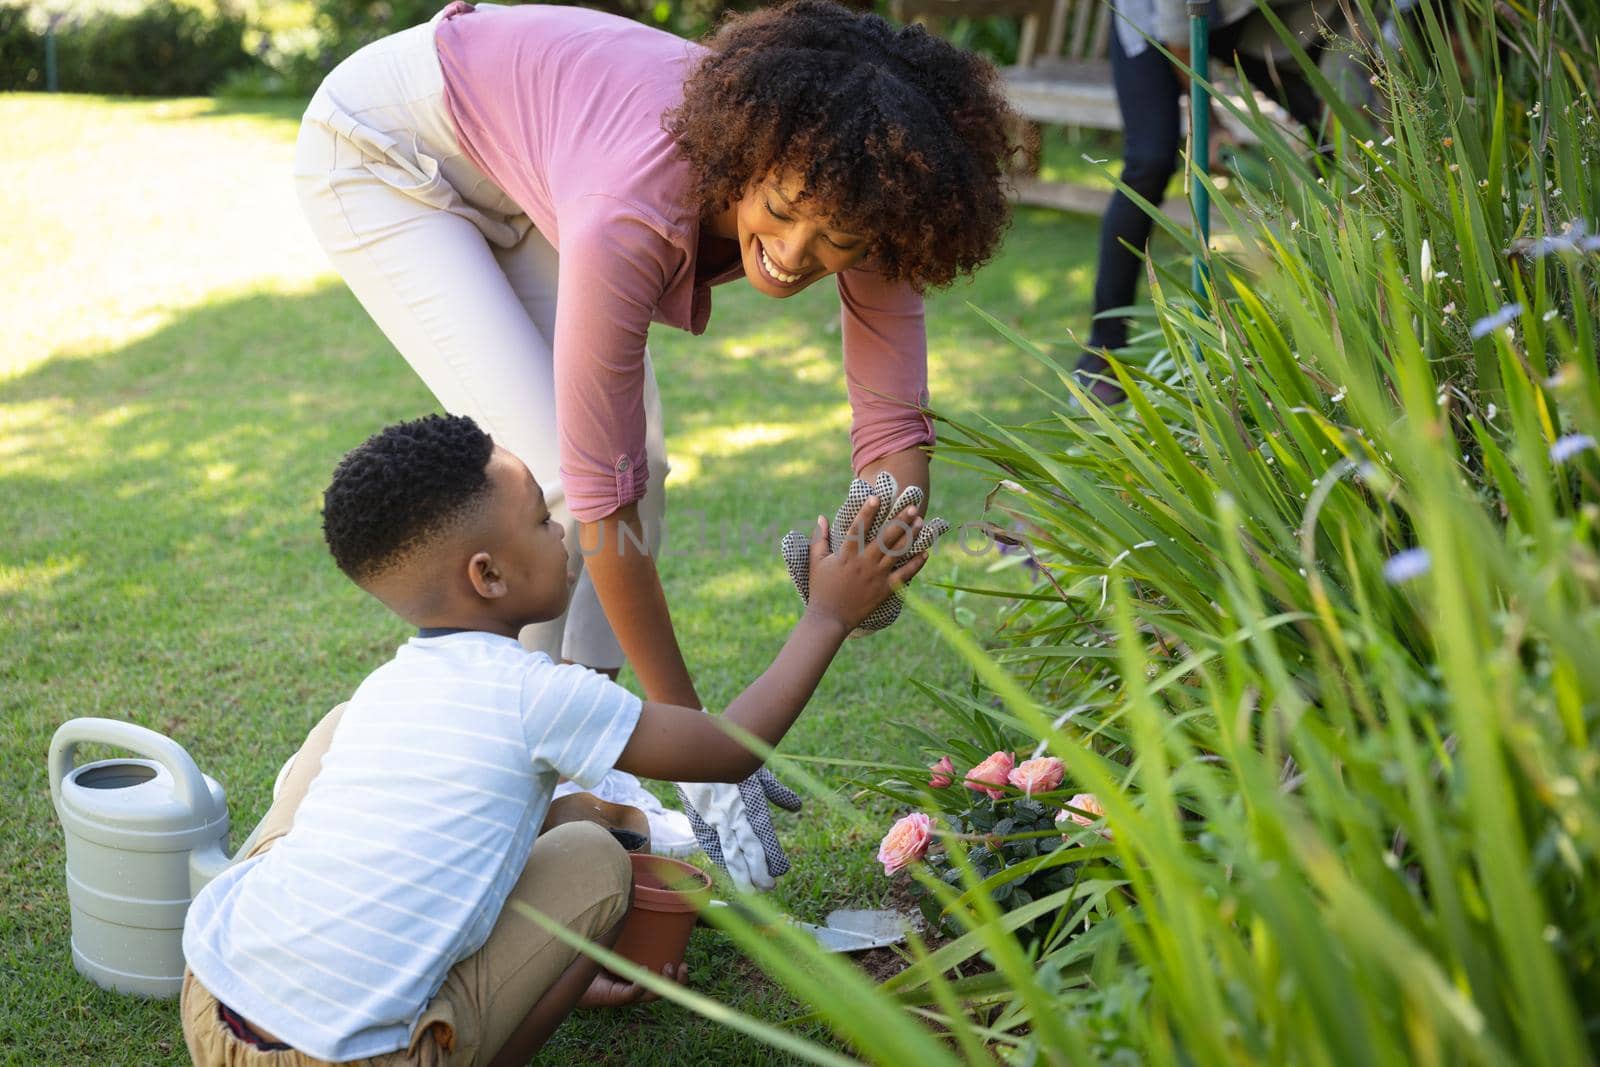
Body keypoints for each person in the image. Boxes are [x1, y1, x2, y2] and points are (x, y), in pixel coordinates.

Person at [291, 0, 1014, 887]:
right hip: (391, 150)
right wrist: (697, 745)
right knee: (563, 475)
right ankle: (556, 781)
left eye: (838, 242)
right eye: (782, 212)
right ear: (752, 158)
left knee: (647, 463)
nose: (793, 254)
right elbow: (599, 504)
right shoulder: (632, 209)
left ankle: (579, 777)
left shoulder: (856, 183)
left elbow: (896, 426)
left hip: (534, 164)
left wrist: (877, 537)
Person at [180, 413, 931, 1066]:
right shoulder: (538, 694)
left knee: (367, 743)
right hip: (353, 1057)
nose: (564, 529)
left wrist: (537, 964)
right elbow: (727, 749)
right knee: (597, 859)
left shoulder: (391, 687)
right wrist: (827, 616)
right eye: (542, 518)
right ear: (488, 574)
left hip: (212, 999)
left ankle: (513, 972)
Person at [1076, 0, 1329, 403]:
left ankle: (1336, 310)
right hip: (1152, 15)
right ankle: (1101, 354)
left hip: (1237, 15)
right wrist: (1209, 121)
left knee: (1328, 132)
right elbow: (1177, 34)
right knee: (1150, 160)